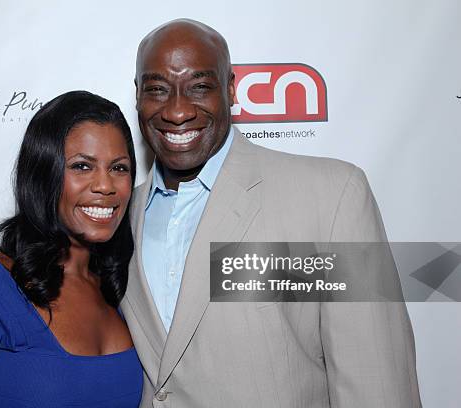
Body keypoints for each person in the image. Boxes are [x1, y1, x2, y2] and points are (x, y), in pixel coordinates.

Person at [120, 19, 422, 407]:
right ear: (138, 95)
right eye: (158, 89)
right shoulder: (118, 217)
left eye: (199, 87)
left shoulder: (330, 196)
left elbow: (378, 382)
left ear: (230, 89)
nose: (177, 111)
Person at [0, 91, 142, 407]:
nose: (105, 185)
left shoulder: (118, 288)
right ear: (44, 174)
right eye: (82, 166)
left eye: (119, 168)